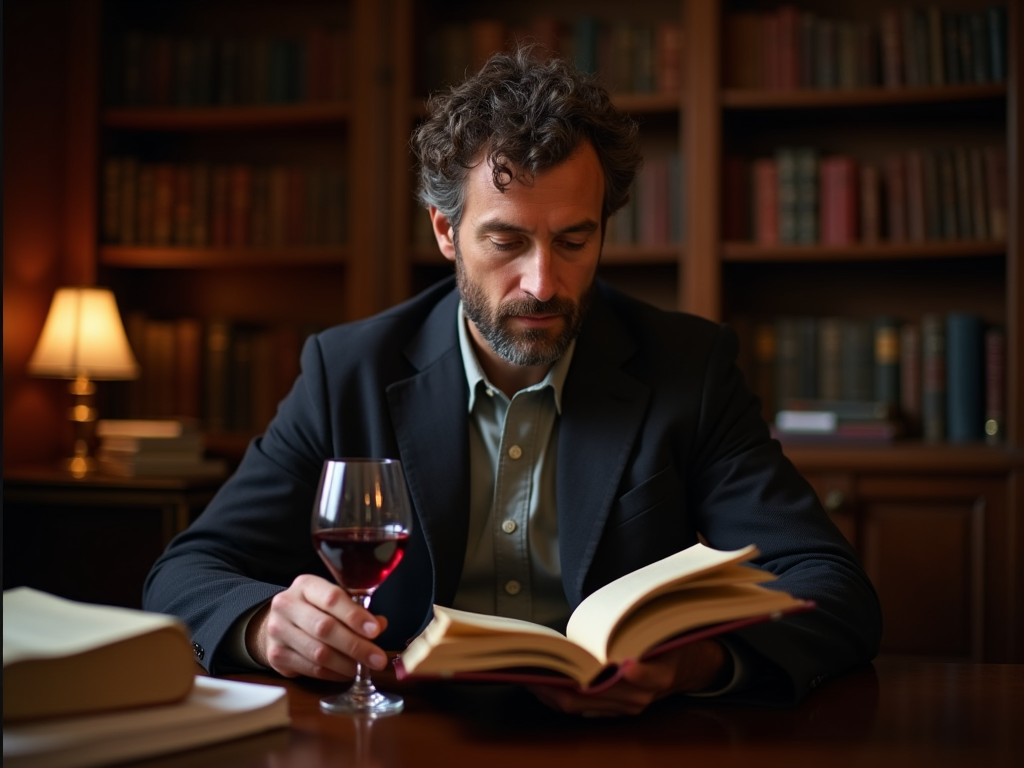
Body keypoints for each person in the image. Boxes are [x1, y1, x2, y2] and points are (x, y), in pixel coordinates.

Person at [144, 47, 881, 716]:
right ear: (444, 232)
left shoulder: (688, 368)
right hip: (404, 740)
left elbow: (832, 586)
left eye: (573, 240)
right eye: (506, 240)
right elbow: (188, 572)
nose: (543, 282)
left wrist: (705, 663)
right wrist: (266, 624)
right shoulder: (349, 371)